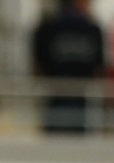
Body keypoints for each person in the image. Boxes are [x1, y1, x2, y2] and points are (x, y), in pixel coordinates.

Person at [32, 0, 106, 134]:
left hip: (63, 95)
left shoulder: (47, 28)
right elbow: (99, 67)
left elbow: (37, 66)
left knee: (57, 141)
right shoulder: (92, 30)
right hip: (68, 96)